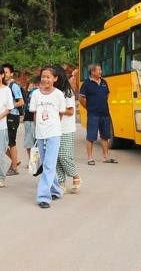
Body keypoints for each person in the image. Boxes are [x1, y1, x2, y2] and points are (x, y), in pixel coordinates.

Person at [29, 65, 66, 209]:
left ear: (55, 79)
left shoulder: (58, 95)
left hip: (54, 134)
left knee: (49, 165)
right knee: (46, 165)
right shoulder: (35, 95)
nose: (45, 79)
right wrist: (37, 130)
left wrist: (53, 126)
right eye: (43, 76)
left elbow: (61, 114)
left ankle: (43, 197)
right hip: (40, 134)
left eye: (48, 77)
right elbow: (34, 114)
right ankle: (56, 190)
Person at [80, 63, 116, 164]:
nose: (101, 71)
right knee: (91, 137)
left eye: (100, 70)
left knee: (105, 136)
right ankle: (90, 158)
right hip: (93, 114)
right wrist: (89, 107)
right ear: (92, 72)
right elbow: (82, 98)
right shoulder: (86, 84)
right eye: (99, 70)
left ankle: (106, 157)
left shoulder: (104, 82)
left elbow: (107, 95)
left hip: (105, 114)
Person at [53, 65, 81, 193]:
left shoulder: (66, 91)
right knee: (56, 157)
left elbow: (70, 111)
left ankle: (75, 176)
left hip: (66, 129)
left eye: (52, 76)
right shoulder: (50, 91)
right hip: (53, 129)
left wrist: (57, 109)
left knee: (65, 156)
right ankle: (61, 182)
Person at [2, 63, 25, 176]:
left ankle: (14, 167)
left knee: (11, 142)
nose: (4, 74)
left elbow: (21, 102)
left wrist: (9, 106)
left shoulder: (14, 86)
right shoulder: (3, 86)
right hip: (5, 116)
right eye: (3, 72)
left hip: (12, 116)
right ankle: (15, 160)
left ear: (11, 74)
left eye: (6, 72)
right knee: (0, 142)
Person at [23, 75, 39, 172]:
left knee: (30, 142)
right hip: (32, 120)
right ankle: (33, 162)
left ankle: (32, 162)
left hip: (30, 120)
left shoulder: (34, 92)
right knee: (35, 143)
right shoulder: (36, 92)